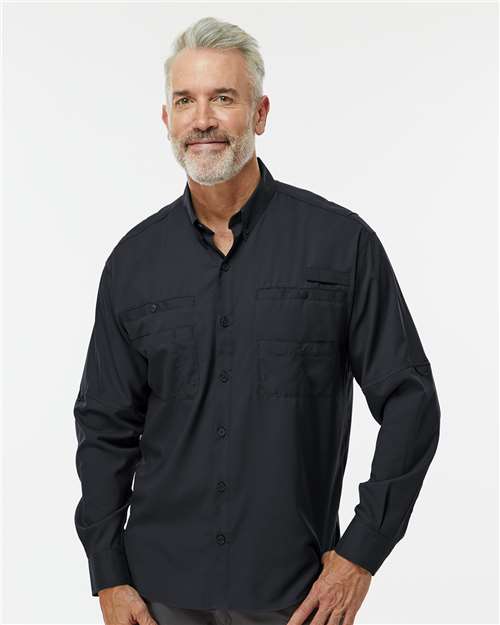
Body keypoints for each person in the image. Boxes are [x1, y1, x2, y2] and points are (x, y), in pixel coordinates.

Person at [73, 15, 441, 625]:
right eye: (185, 101)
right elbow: (104, 426)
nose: (203, 119)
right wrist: (107, 575)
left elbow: (411, 402)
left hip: (297, 595)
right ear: (166, 119)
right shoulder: (133, 263)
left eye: (223, 98)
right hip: (158, 594)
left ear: (260, 113)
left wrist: (361, 553)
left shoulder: (340, 245)